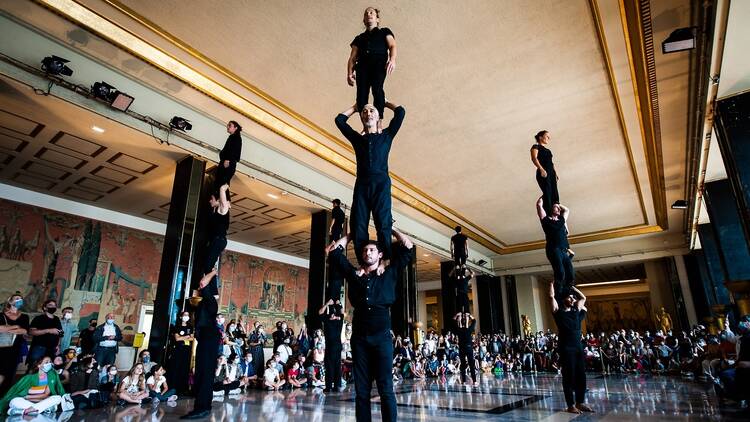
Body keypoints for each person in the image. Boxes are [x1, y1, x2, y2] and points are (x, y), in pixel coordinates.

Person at [327, 228, 413, 422]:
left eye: (372, 250)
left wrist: (392, 230)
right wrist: (351, 235)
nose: (368, 253)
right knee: (362, 391)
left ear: (380, 254)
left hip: (382, 338)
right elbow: (333, 253)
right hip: (360, 340)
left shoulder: (388, 273)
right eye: (365, 250)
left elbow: (408, 248)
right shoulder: (354, 275)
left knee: (386, 389)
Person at [334, 100, 405, 265]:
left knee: (383, 221)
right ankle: (363, 263)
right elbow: (339, 120)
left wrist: (384, 103)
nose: (368, 114)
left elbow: (400, 112)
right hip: (362, 184)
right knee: (358, 222)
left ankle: (384, 260)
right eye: (364, 112)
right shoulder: (357, 139)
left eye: (371, 111)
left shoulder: (387, 135)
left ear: (378, 116)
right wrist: (355, 107)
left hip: (381, 184)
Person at [180, 269, 220, 420]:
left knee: (205, 373)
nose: (198, 289)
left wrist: (212, 272)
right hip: (206, 338)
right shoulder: (205, 303)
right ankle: (202, 406)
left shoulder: (210, 302)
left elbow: (203, 283)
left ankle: (202, 408)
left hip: (209, 338)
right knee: (202, 373)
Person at [549, 282, 593, 414]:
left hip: (578, 348)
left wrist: (572, 288)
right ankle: (570, 405)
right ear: (563, 300)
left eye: (573, 298)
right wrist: (552, 283)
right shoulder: (558, 313)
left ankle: (580, 402)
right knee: (568, 377)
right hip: (566, 348)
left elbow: (583, 298)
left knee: (581, 376)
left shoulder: (576, 312)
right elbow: (551, 296)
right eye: (570, 297)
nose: (573, 299)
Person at [347, 7, 397, 124]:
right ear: (364, 20)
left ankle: (378, 122)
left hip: (378, 65)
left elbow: (392, 46)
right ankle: (366, 125)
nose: (368, 14)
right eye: (366, 14)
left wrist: (392, 59)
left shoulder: (384, 32)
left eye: (371, 13)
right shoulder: (359, 38)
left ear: (377, 19)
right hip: (362, 67)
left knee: (377, 90)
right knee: (361, 95)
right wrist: (349, 73)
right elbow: (352, 57)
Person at [0, 356, 65, 416]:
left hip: (42, 401)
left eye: (50, 362)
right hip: (30, 402)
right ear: (39, 365)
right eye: (46, 362)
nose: (49, 364)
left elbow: (47, 394)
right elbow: (15, 391)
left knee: (57, 398)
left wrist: (28, 397)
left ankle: (25, 411)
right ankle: (42, 410)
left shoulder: (52, 376)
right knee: (14, 401)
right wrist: (28, 398)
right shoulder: (29, 378)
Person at [536, 197, 574, 298]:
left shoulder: (561, 219)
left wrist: (557, 203)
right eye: (556, 208)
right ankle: (559, 294)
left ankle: (567, 293)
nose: (558, 209)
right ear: (550, 209)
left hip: (563, 250)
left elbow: (567, 210)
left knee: (570, 274)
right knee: (560, 273)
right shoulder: (546, 220)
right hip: (553, 249)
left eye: (558, 208)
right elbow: (539, 205)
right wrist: (545, 196)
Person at [0, 293, 29, 396]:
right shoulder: (1, 315)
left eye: (21, 299)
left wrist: (8, 329)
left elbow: (24, 331)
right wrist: (15, 327)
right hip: (2, 348)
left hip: (16, 349)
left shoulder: (24, 316)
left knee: (10, 374)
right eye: (17, 298)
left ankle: (3, 397)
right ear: (10, 301)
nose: (19, 300)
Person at [203, 184, 231, 289]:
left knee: (208, 265)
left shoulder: (222, 210)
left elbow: (224, 203)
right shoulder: (216, 211)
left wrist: (222, 189)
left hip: (219, 240)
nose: (210, 201)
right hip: (217, 241)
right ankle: (213, 290)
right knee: (207, 265)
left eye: (211, 199)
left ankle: (214, 291)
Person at [530, 130, 559, 215]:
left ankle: (556, 212)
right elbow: (534, 158)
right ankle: (549, 214)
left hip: (551, 173)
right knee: (547, 192)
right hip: (543, 172)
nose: (549, 138)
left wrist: (555, 173)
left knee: (554, 192)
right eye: (547, 136)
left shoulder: (548, 150)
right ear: (540, 137)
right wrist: (541, 169)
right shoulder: (535, 146)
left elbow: (551, 162)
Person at [28, 299, 62, 367]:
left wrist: (58, 345)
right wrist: (48, 330)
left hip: (52, 348)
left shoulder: (57, 319)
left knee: (48, 367)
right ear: (45, 308)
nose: (53, 307)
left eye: (54, 305)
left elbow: (60, 333)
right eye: (50, 305)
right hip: (39, 347)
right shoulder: (38, 318)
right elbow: (32, 332)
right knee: (35, 366)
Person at [320, 299, 344, 392]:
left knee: (332, 366)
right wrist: (337, 304)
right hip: (335, 346)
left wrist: (328, 304)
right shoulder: (333, 321)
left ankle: (332, 386)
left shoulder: (331, 322)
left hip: (333, 346)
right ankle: (334, 385)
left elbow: (320, 312)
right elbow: (321, 312)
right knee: (334, 366)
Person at [168, 310, 194, 395]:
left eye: (188, 315)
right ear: (181, 317)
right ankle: (173, 387)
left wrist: (182, 337)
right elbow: (177, 339)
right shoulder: (176, 326)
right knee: (176, 367)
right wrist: (186, 336)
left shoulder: (190, 327)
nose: (186, 316)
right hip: (178, 349)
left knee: (185, 368)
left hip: (187, 350)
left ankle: (182, 389)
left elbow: (192, 338)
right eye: (185, 315)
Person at [327, 199, 347, 301]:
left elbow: (333, 219)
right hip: (340, 228)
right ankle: (331, 248)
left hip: (336, 227)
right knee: (336, 240)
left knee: (333, 240)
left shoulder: (335, 210)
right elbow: (342, 223)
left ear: (335, 203)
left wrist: (330, 228)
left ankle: (330, 248)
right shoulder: (342, 212)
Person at [214, 121, 243, 189]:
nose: (227, 127)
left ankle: (217, 198)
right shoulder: (233, 137)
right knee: (221, 183)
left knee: (221, 183)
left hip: (228, 162)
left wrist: (228, 159)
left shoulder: (236, 137)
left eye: (230, 125)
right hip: (227, 161)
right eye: (228, 125)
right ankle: (216, 198)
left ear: (235, 128)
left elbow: (233, 150)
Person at [454, 313, 478, 386]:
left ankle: (463, 381)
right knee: (471, 364)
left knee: (463, 365)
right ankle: (474, 381)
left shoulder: (459, 331)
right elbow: (474, 321)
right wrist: (470, 316)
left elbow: (453, 322)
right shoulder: (469, 330)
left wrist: (457, 315)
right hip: (468, 348)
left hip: (462, 349)